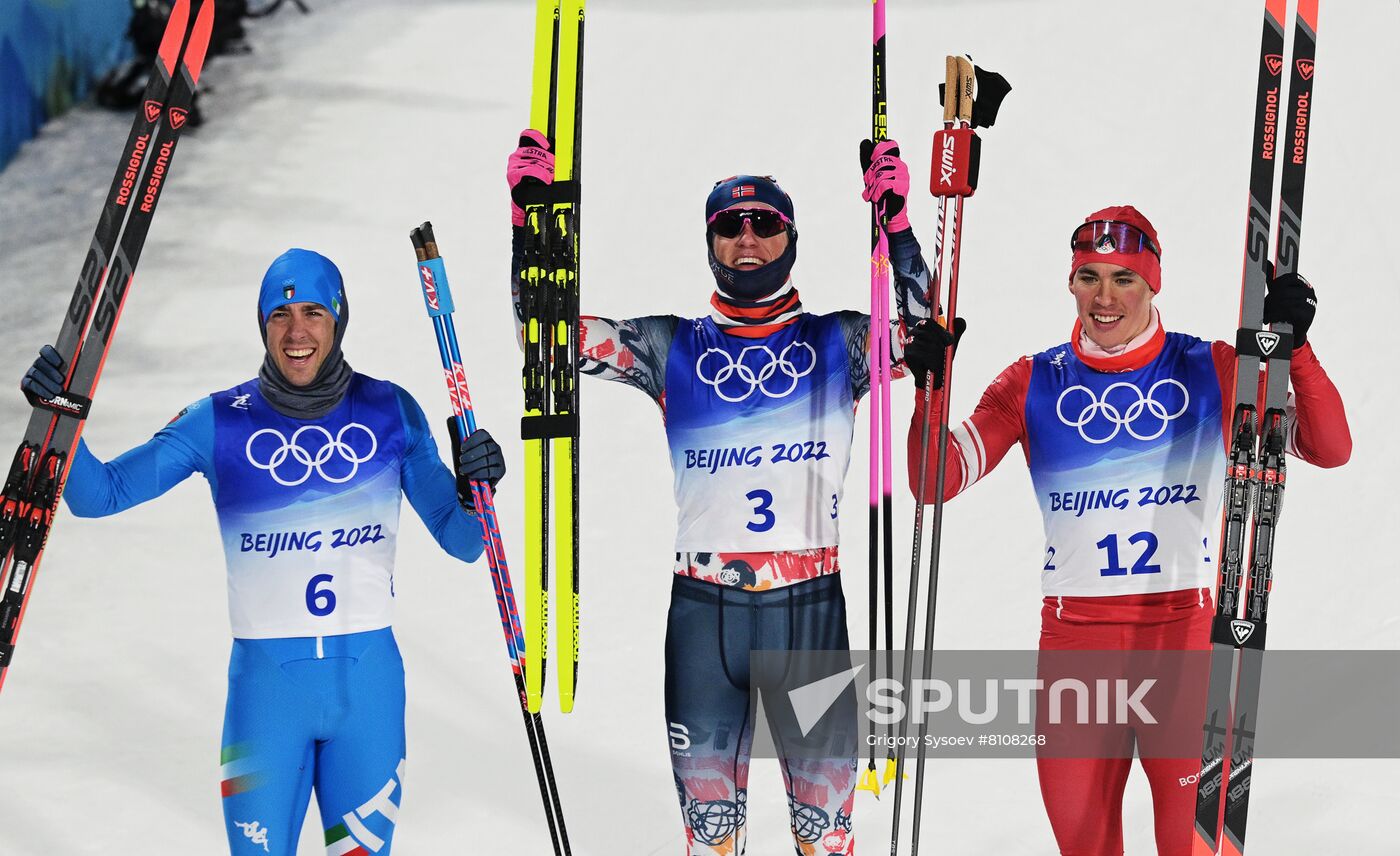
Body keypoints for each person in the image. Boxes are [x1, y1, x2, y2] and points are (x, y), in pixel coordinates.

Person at [506, 132, 933, 855]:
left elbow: (927, 340)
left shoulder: (842, 343)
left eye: (765, 223)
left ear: (790, 237)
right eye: (729, 225)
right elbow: (545, 342)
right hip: (706, 616)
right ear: (709, 242)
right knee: (710, 838)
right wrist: (529, 230)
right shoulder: (671, 347)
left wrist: (897, 225)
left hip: (809, 614)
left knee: (826, 837)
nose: (747, 238)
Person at [20, 248, 507, 856]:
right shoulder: (218, 421)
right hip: (266, 699)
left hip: (369, 693)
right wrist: (60, 417)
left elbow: (462, 541)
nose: (296, 331)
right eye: (280, 315)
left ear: (338, 319)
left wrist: (478, 488)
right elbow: (101, 495)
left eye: (312, 313)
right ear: (261, 323)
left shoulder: (391, 412)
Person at [902, 205, 1351, 855]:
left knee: (1196, 847)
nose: (1105, 297)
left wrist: (1296, 351)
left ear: (1153, 283)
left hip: (1189, 640)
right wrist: (929, 394)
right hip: (1075, 649)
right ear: (1071, 283)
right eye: (1089, 276)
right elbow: (934, 480)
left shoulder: (1213, 368)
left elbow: (1329, 446)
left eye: (1124, 278)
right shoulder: (1032, 381)